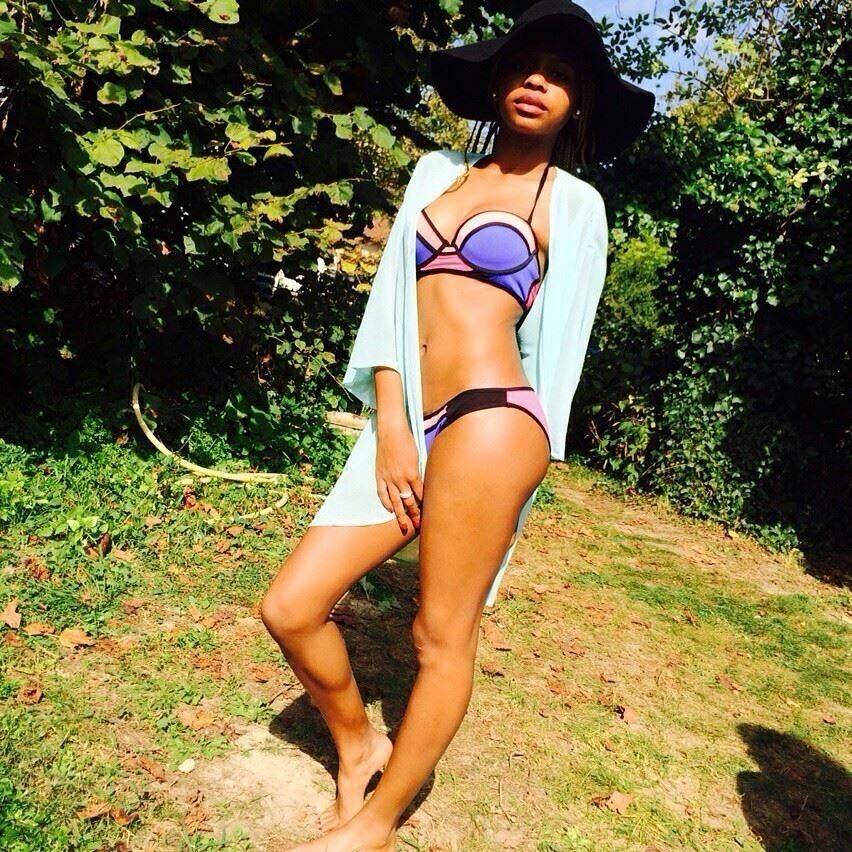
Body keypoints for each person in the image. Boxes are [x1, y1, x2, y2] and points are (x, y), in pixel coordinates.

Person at [260, 2, 655, 849]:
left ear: (578, 102)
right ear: (498, 78)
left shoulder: (575, 205)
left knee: (439, 635)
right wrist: (392, 424)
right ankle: (359, 745)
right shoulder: (436, 172)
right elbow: (390, 302)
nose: (538, 81)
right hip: (406, 419)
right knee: (291, 606)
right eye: (525, 65)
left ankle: (374, 825)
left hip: (492, 421)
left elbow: (562, 347)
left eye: (560, 75)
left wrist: (527, 465)